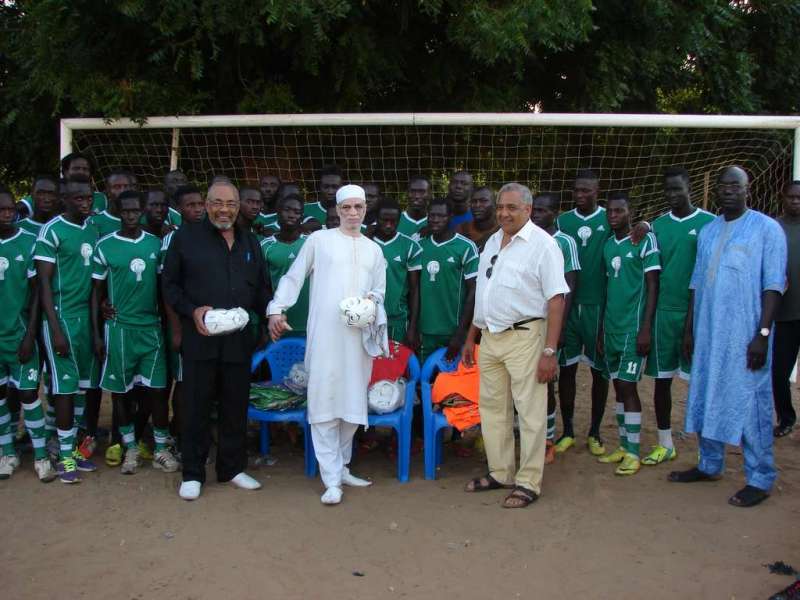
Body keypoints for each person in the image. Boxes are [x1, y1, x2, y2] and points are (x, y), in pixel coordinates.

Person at [669, 166, 787, 508]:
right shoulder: (708, 231)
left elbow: (774, 285)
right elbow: (695, 283)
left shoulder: (766, 230)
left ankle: (761, 477)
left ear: (748, 189)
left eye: (735, 185)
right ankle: (709, 464)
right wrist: (690, 328)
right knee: (707, 393)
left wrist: (762, 334)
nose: (728, 191)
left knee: (751, 401)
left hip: (745, 335)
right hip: (708, 333)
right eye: (722, 186)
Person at [268, 184, 386, 505]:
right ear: (335, 210)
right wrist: (277, 309)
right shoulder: (318, 241)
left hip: (357, 339)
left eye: (357, 207)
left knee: (351, 404)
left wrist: (369, 304)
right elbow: (293, 277)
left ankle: (343, 465)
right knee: (324, 404)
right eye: (345, 207)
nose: (351, 213)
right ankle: (331, 479)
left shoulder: (374, 250)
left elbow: (379, 290)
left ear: (365, 210)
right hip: (325, 337)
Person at [462, 182, 568, 508]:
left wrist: (549, 351)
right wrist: (471, 336)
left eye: (511, 207)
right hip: (490, 337)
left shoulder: (544, 246)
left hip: (525, 337)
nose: (504, 213)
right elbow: (484, 293)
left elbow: (557, 299)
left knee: (530, 413)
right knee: (493, 410)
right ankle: (501, 472)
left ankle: (528, 482)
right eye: (500, 207)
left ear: (528, 210)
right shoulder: (493, 241)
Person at [162, 181, 267, 500]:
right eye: (218, 203)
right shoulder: (186, 238)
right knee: (196, 407)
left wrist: (272, 316)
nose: (225, 209)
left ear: (238, 206)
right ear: (207, 205)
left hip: (238, 341)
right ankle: (192, 473)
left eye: (231, 203)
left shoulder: (251, 242)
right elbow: (169, 286)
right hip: (201, 338)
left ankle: (232, 468)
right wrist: (192, 312)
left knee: (235, 406)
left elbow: (262, 289)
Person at [90, 192, 180, 474]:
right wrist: (97, 332)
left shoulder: (155, 245)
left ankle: (162, 449)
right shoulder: (104, 246)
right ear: (117, 211)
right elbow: (96, 293)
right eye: (125, 211)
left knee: (157, 392)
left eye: (135, 211)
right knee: (121, 393)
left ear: (141, 211)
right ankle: (130, 447)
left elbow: (165, 288)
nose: (130, 216)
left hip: (151, 329)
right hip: (119, 330)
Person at [643, 168, 714, 465]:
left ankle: (705, 450)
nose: (673, 195)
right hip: (663, 314)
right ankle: (665, 443)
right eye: (668, 190)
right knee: (661, 382)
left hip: (698, 315)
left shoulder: (709, 224)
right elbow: (653, 275)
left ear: (689, 189)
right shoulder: (658, 226)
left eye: (678, 189)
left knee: (699, 384)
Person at [34, 177, 99, 483]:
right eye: (79, 199)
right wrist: (55, 328)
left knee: (83, 388)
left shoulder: (93, 228)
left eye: (88, 198)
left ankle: (73, 451)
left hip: (87, 319)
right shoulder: (52, 230)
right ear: (66, 199)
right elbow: (43, 283)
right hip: (62, 318)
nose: (85, 203)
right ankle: (63, 456)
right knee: (64, 389)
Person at [596, 192, 660, 476]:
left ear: (629, 212)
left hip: (633, 329)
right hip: (611, 326)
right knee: (618, 387)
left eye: (619, 211)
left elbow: (653, 285)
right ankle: (623, 445)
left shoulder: (645, 240)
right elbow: (607, 289)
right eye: (610, 211)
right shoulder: (608, 245)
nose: (613, 215)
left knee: (628, 386)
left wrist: (645, 328)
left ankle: (633, 451)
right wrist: (600, 329)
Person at [554, 169, 612, 457]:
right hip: (567, 307)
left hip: (599, 307)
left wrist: (645, 226)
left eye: (586, 190)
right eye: (577, 190)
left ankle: (595, 432)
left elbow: (630, 233)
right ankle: (567, 431)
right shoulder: (562, 221)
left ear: (597, 191)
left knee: (600, 372)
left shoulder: (609, 218)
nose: (581, 195)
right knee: (567, 370)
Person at [0, 190, 56, 482]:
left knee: (27, 394)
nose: (7, 214)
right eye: (2, 210)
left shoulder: (26, 242)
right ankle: (7, 452)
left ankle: (41, 455)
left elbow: (36, 294)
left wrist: (30, 334)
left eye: (11, 209)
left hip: (19, 334)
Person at [531, 192, 580, 464]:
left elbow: (569, 286)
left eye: (543, 210)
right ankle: (528, 436)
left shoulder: (564, 242)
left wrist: (557, 329)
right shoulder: (526, 239)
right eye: (534, 209)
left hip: (552, 325)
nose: (537, 214)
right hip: (528, 325)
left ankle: (549, 439)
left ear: (555, 212)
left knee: (547, 381)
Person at [418, 197, 478, 363]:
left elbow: (474, 291)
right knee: (423, 381)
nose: (435, 220)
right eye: (431, 215)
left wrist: (461, 332)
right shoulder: (419, 245)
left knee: (450, 384)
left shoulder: (465, 247)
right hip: (424, 330)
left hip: (452, 331)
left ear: (450, 216)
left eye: (441, 216)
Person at [372, 198, 422, 347]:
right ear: (376, 219)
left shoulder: (410, 246)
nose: (388, 225)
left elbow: (414, 290)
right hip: (368, 318)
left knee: (397, 367)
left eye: (393, 221)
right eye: (384, 220)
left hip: (398, 319)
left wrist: (412, 327)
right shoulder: (365, 243)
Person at [772, 181, 800, 438]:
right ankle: (786, 418)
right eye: (791, 197)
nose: (795, 202)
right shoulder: (774, 228)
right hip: (783, 315)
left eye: (799, 198)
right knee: (779, 372)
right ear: (783, 198)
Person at [261, 194, 310, 337]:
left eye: (297, 212)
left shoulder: (311, 244)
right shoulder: (266, 246)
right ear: (278, 212)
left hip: (309, 320)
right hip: (279, 320)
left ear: (302, 217)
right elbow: (263, 286)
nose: (291, 215)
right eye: (287, 210)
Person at [88, 170, 134, 238]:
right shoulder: (94, 222)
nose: (122, 191)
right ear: (108, 190)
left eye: (126, 186)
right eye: (117, 187)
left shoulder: (143, 219)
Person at [457, 186, 499, 251]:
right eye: (474, 201)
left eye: (483, 201)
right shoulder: (462, 229)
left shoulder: (503, 230)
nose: (477, 205)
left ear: (494, 204)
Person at [303, 164, 343, 231]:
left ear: (341, 187)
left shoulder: (349, 212)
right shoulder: (304, 209)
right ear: (319, 187)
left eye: (335, 187)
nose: (330, 191)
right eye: (326, 187)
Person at [397, 176, 431, 241]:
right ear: (407, 193)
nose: (417, 196)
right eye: (412, 191)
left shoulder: (437, 223)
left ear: (430, 194)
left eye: (422, 192)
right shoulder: (394, 220)